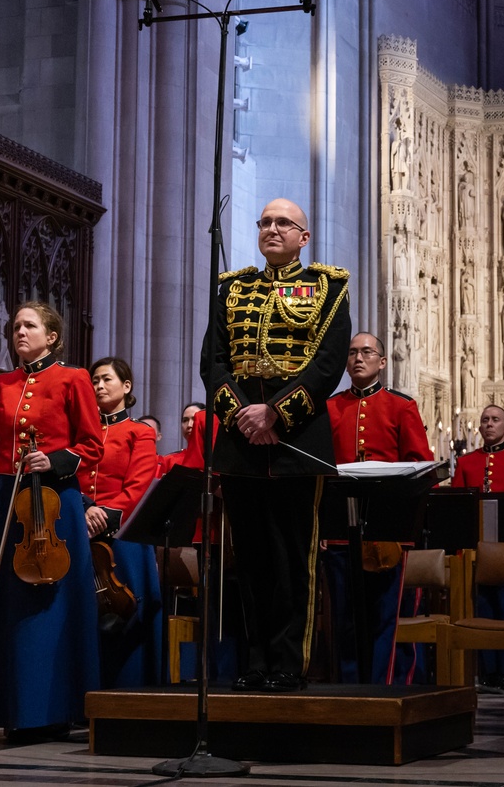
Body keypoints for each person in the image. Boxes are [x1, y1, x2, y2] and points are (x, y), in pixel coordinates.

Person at [201, 196, 351, 693]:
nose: (271, 228)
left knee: (293, 557)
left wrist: (276, 414)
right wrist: (241, 415)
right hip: (241, 441)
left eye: (283, 223)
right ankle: (254, 661)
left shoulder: (329, 288)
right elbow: (214, 362)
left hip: (296, 441)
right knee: (250, 560)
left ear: (303, 237)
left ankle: (289, 663)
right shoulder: (231, 288)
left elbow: (326, 365)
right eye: (264, 221)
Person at [0, 301, 102, 740]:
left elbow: (92, 445)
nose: (19, 332)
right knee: (10, 606)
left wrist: (58, 460)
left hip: (56, 498)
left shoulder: (74, 378)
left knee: (52, 607)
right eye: (15, 327)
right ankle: (14, 710)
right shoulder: (0, 384)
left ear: (52, 336)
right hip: (10, 499)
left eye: (29, 326)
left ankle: (55, 708)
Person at [326, 331, 433, 684]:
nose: (358, 358)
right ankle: (349, 692)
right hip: (341, 530)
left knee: (388, 618)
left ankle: (384, 690)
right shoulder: (331, 408)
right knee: (345, 619)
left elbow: (420, 465)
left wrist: (405, 527)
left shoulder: (401, 407)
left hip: (388, 531)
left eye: (367, 352)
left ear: (382, 362)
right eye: (352, 352)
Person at [81, 357, 161, 687]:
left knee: (128, 616)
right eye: (94, 381)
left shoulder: (139, 431)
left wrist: (106, 516)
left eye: (106, 380)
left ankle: (129, 695)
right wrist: (85, 509)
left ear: (126, 387)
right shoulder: (81, 433)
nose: (98, 386)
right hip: (82, 528)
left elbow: (140, 484)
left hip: (125, 534)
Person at [452, 405, 504, 689]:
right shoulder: (467, 463)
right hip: (477, 549)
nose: (488, 424)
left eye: (495, 420)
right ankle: (489, 670)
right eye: (484, 420)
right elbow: (457, 504)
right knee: (482, 609)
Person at [158, 402, 204, 477]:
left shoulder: (217, 462)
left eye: (195, 419)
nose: (189, 425)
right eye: (185, 420)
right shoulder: (168, 460)